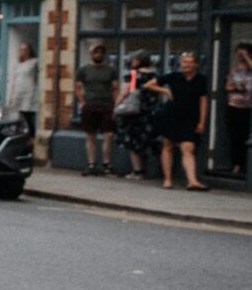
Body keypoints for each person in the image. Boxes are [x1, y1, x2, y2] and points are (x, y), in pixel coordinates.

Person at [146, 50, 210, 190]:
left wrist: (202, 121)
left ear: (196, 65)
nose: (186, 65)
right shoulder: (174, 76)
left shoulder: (201, 79)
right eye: (184, 62)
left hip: (190, 117)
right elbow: (149, 85)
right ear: (180, 64)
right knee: (168, 145)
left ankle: (192, 181)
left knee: (188, 147)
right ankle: (168, 180)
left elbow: (203, 101)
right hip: (171, 114)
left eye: (190, 62)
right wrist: (165, 91)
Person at [74, 41, 119, 176]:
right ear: (91, 54)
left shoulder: (111, 70)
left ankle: (106, 163)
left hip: (106, 105)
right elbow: (77, 87)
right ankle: (92, 164)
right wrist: (82, 102)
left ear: (104, 54)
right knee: (91, 135)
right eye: (96, 51)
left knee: (109, 134)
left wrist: (116, 105)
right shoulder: (83, 70)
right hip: (90, 105)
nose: (98, 54)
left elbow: (115, 88)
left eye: (101, 52)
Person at [115, 51, 159, 179]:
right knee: (146, 140)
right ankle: (147, 169)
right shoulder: (154, 75)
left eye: (133, 59)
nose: (131, 61)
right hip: (150, 112)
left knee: (132, 141)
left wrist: (116, 107)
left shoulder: (133, 75)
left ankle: (137, 171)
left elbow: (125, 93)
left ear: (138, 61)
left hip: (134, 113)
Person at [225, 41, 252, 174]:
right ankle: (236, 164)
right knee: (235, 136)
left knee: (246, 135)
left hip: (249, 107)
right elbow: (228, 86)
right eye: (238, 52)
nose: (240, 55)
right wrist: (237, 87)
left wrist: (247, 58)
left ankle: (247, 164)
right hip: (234, 106)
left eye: (243, 52)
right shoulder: (235, 70)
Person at [6, 42, 39, 137]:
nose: (22, 52)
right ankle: (20, 135)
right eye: (20, 50)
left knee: (27, 115)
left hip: (29, 92)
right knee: (18, 114)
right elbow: (15, 80)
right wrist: (11, 95)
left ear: (29, 51)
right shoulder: (19, 64)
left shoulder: (34, 62)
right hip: (18, 92)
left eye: (24, 50)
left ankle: (31, 137)